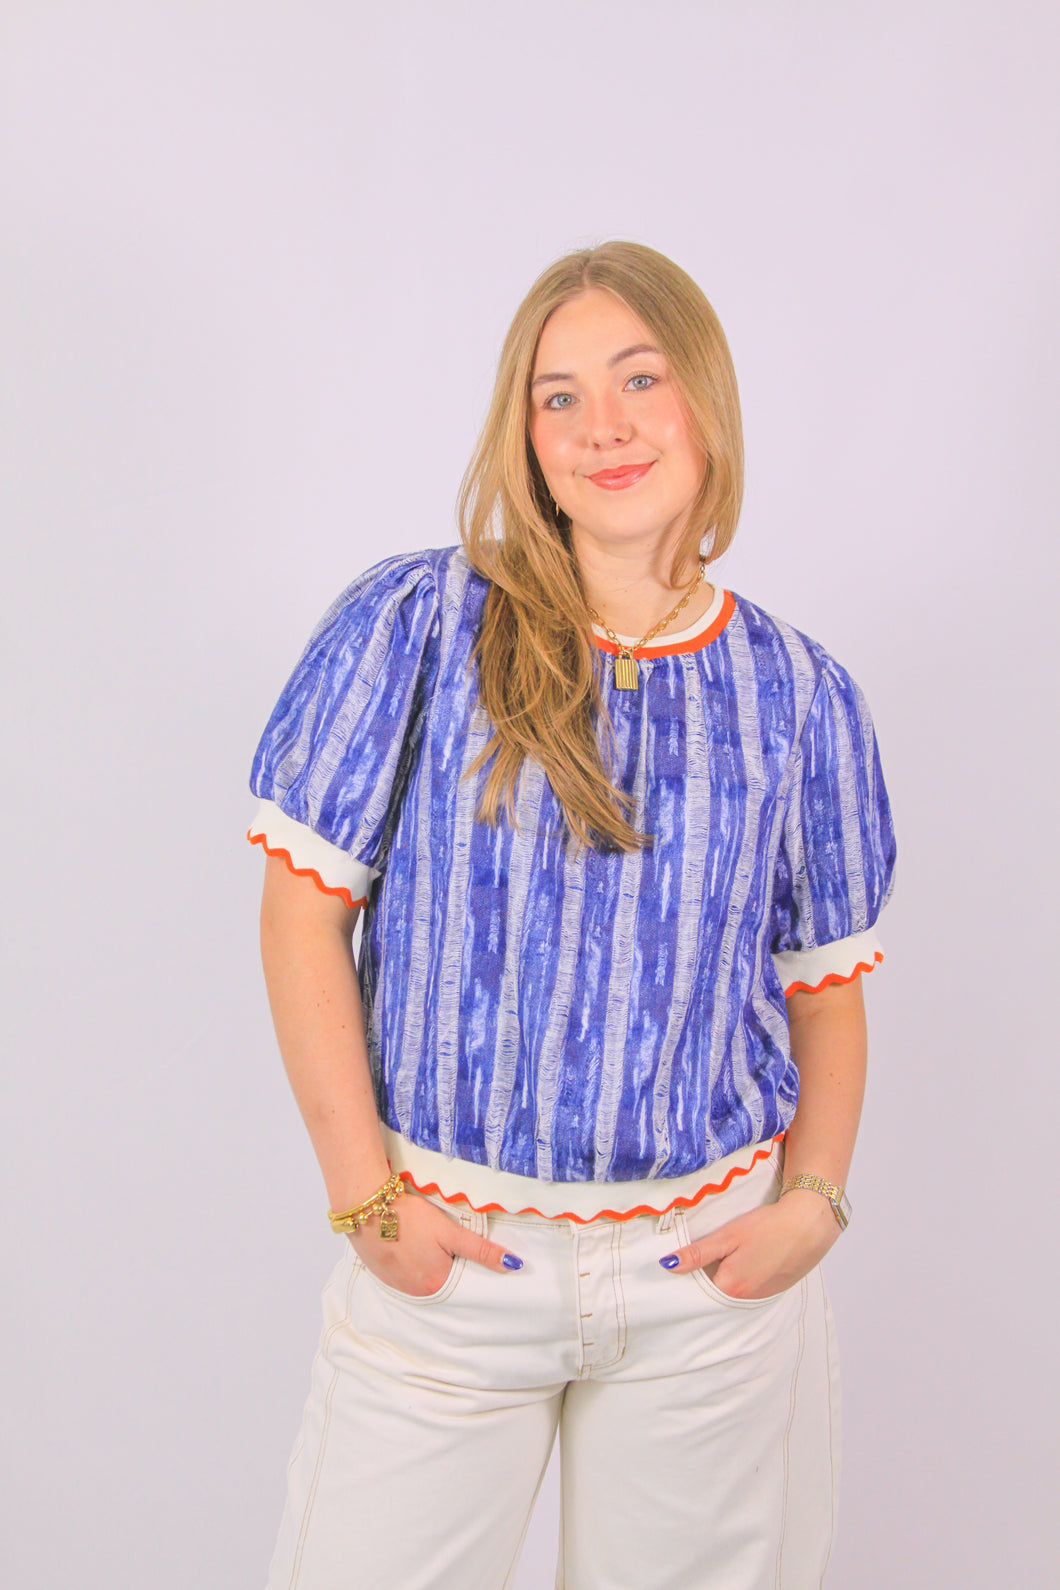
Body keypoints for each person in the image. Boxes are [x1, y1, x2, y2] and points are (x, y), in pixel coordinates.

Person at [246, 240, 896, 1590]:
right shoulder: (423, 624)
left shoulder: (799, 693)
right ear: (526, 435)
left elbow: (825, 986)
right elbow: (302, 919)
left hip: (704, 1287)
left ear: (705, 401)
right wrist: (365, 1196)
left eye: (640, 379)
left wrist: (814, 1201)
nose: (603, 425)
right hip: (450, 1268)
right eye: (560, 396)